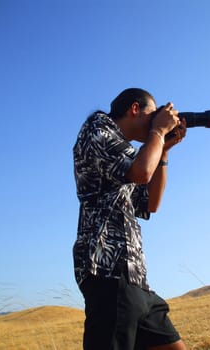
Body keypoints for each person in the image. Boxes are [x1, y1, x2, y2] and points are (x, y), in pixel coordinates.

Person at [73, 88, 188, 350]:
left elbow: (150, 204)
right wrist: (157, 133)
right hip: (107, 272)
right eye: (153, 115)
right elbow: (141, 173)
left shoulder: (124, 152)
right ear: (134, 109)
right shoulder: (97, 130)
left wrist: (165, 153)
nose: (155, 122)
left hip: (134, 277)